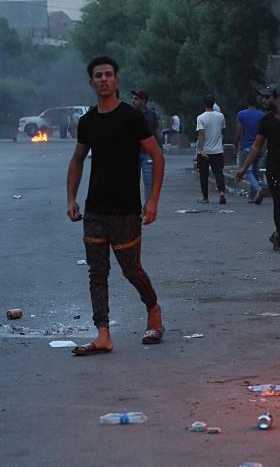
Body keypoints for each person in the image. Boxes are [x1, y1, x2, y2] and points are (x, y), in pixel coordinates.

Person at [66, 56, 165, 355]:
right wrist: (71, 198)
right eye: (98, 75)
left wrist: (153, 200)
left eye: (109, 75)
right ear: (92, 82)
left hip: (126, 210)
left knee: (131, 270)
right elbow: (77, 160)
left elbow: (157, 157)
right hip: (95, 209)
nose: (104, 79)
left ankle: (154, 311)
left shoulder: (131, 118)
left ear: (116, 81)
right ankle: (103, 334)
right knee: (97, 272)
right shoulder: (88, 122)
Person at [237, 84, 280, 254]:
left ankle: (277, 233)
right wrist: (243, 167)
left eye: (268, 97)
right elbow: (256, 147)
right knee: (279, 201)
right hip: (274, 167)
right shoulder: (266, 121)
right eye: (264, 97)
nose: (264, 100)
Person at [235, 93, 266, 204]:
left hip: (247, 147)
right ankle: (253, 196)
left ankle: (257, 188)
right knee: (255, 171)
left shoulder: (241, 114)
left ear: (247, 102)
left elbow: (239, 131)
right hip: (259, 147)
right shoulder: (262, 115)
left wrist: (236, 144)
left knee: (247, 170)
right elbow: (264, 132)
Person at [196, 95, 227, 204]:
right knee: (218, 173)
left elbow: (201, 135)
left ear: (204, 104)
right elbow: (222, 130)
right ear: (214, 103)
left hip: (205, 151)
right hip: (218, 150)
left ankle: (205, 198)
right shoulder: (221, 116)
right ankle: (222, 192)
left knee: (203, 175)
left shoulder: (200, 117)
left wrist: (201, 149)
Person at [131, 90, 160, 204]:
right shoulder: (129, 114)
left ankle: (148, 206)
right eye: (133, 98)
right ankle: (134, 207)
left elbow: (156, 132)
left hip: (148, 152)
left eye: (136, 99)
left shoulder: (152, 115)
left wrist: (159, 151)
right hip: (132, 153)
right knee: (132, 182)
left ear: (143, 101)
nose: (133, 101)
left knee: (148, 181)